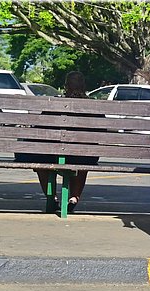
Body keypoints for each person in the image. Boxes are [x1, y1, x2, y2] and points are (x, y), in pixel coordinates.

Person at [14, 71, 100, 213]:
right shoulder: (94, 107)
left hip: (52, 154)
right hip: (85, 155)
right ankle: (73, 198)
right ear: (84, 86)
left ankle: (52, 197)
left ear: (66, 86)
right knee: (83, 161)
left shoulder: (55, 104)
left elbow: (40, 129)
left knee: (41, 163)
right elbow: (100, 134)